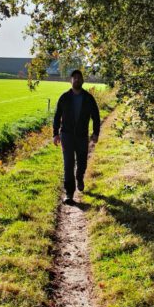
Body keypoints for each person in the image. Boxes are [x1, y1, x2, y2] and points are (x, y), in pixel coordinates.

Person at [53, 69, 100, 205]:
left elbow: (96, 117)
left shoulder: (88, 98)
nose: (77, 80)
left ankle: (79, 178)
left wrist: (95, 133)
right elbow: (57, 116)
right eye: (74, 78)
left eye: (79, 78)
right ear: (71, 80)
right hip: (66, 135)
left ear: (82, 80)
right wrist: (55, 133)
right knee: (68, 164)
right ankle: (69, 194)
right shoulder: (64, 97)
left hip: (81, 136)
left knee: (82, 163)